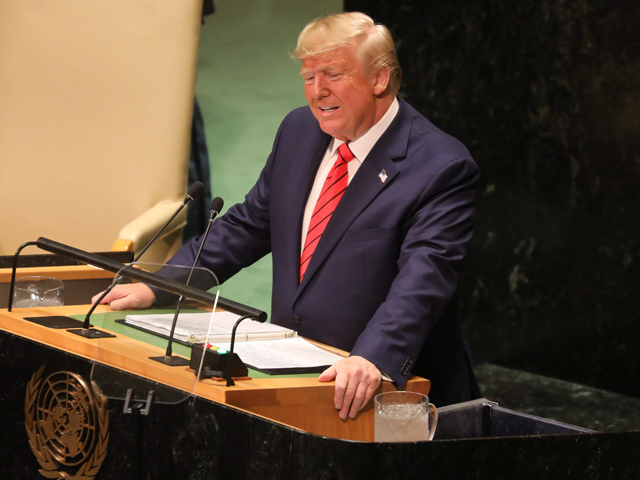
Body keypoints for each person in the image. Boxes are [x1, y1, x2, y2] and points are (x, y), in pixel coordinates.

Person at [94, 12, 481, 419]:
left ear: (380, 79)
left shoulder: (440, 166)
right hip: (294, 376)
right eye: (308, 76)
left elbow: (424, 278)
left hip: (386, 394)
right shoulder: (299, 130)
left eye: (332, 74)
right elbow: (249, 225)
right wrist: (160, 284)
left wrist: (373, 357)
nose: (317, 92)